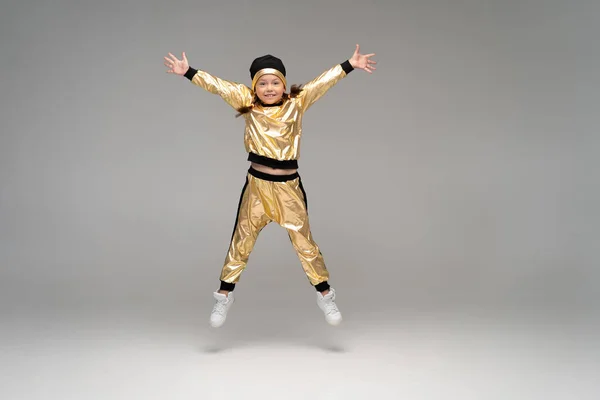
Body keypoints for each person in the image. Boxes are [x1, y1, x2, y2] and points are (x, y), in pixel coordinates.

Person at [163, 44, 376, 328]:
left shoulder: (296, 104)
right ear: (254, 87)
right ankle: (224, 295)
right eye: (262, 83)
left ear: (284, 85)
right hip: (257, 188)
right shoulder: (246, 102)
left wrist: (349, 65)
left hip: (288, 188)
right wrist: (188, 71)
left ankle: (325, 295)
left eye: (275, 82)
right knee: (241, 241)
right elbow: (218, 86)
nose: (269, 87)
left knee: (305, 243)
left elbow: (322, 83)